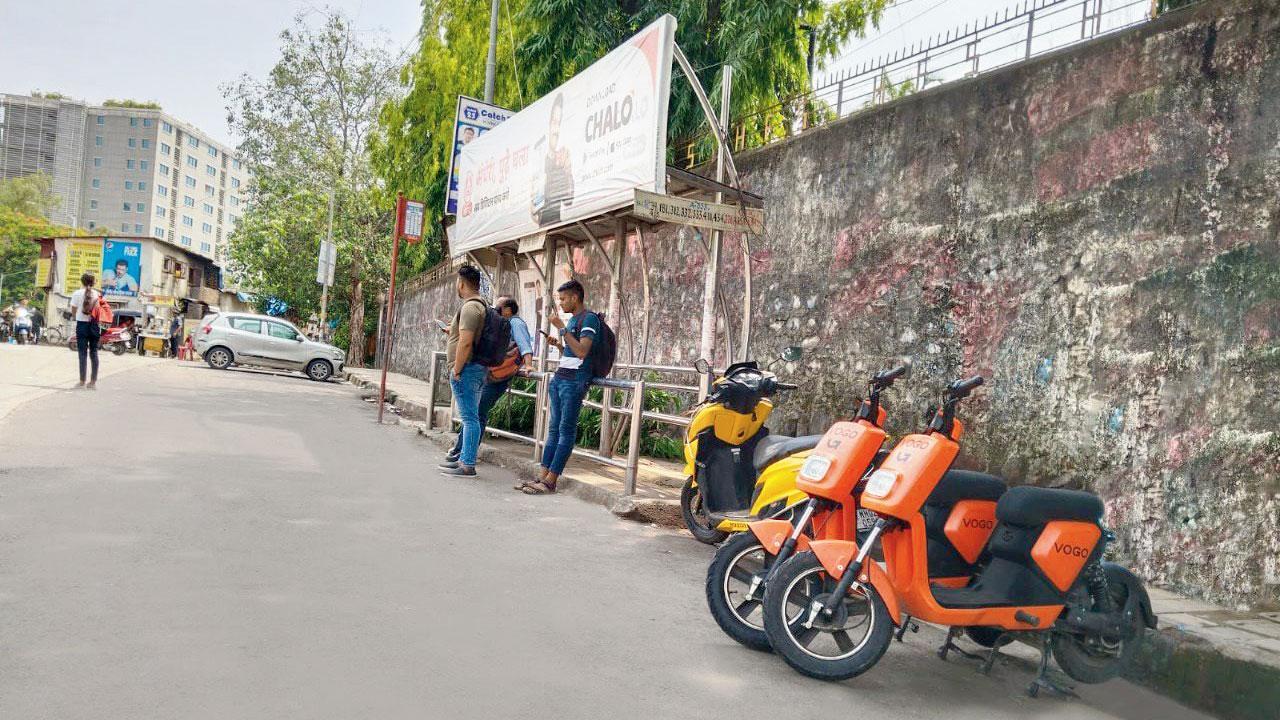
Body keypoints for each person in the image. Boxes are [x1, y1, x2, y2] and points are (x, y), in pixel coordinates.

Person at [520, 279, 598, 495]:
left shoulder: (588, 318)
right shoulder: (573, 321)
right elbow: (572, 354)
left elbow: (583, 352)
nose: (561, 303)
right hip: (561, 378)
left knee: (565, 431)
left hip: (574, 382)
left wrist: (562, 330)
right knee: (553, 430)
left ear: (575, 297)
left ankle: (551, 481)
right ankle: (543, 477)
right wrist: (559, 345)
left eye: (563, 299)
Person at [444, 296, 534, 465]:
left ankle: (464, 453)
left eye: (499, 305)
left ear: (508, 309)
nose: (495, 308)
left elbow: (525, 346)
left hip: (498, 377)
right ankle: (463, 450)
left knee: (476, 413)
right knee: (475, 412)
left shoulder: (515, 323)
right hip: (490, 373)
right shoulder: (500, 324)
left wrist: (528, 365)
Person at [438, 265, 489, 477]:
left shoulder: (469, 308)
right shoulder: (481, 306)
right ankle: (463, 459)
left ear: (461, 283)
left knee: (470, 419)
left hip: (466, 369)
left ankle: (467, 463)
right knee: (472, 417)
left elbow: (466, 343)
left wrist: (457, 369)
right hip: (476, 368)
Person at [69, 273, 101, 389]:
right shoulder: (97, 294)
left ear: (82, 282)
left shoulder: (77, 293)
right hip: (94, 325)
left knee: (82, 353)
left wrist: (74, 316)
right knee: (94, 353)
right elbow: (98, 310)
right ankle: (93, 382)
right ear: (93, 282)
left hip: (81, 325)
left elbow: (73, 309)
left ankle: (82, 381)